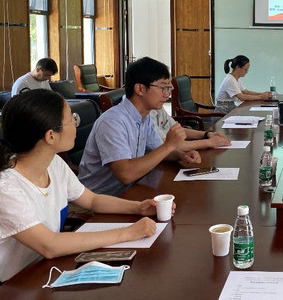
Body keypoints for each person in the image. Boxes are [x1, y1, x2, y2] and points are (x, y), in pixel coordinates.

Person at [0, 90, 162, 282]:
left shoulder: (54, 164)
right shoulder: (6, 188)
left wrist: (138, 207)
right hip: (14, 285)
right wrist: (129, 232)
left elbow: (91, 200)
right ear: (51, 136)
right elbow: (50, 245)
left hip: (43, 270)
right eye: (72, 119)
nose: (76, 124)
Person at [78, 57, 201, 196]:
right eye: (163, 88)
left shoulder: (145, 117)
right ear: (140, 89)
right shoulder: (112, 122)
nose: (167, 94)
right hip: (98, 201)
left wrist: (181, 155)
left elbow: (158, 151)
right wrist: (169, 145)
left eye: (168, 88)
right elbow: (126, 174)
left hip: (130, 190)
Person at [149, 107, 231, 151]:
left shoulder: (158, 108)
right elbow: (166, 146)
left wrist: (206, 134)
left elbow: (179, 130)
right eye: (163, 87)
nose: (167, 94)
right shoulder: (146, 116)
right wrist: (208, 142)